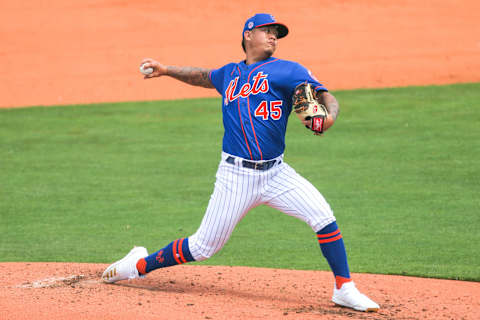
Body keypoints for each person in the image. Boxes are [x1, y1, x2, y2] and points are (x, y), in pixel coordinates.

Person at [102, 13, 380, 312]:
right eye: (267, 31)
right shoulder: (229, 73)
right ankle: (138, 265)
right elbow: (203, 76)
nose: (273, 36)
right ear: (248, 35)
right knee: (202, 247)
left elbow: (326, 97)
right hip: (235, 176)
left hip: (276, 174)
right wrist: (167, 70)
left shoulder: (289, 71)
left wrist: (329, 117)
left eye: (276, 33)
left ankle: (344, 288)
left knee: (323, 216)